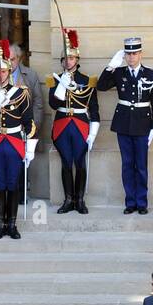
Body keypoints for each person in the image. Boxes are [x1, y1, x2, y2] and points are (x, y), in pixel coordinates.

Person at [96, 36, 153, 214]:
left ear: (141, 54)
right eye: (128, 54)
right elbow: (101, 86)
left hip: (142, 124)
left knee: (141, 165)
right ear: (124, 55)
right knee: (127, 164)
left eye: (135, 53)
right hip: (123, 123)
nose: (131, 57)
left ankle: (142, 202)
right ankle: (130, 202)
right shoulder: (119, 72)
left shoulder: (151, 74)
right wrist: (111, 66)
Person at [0, 38, 36, 238]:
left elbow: (29, 122)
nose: (0, 75)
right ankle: (0, 224)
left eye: (3, 71)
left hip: (14, 142)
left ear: (10, 71)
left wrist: (30, 149)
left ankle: (12, 224)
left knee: (13, 184)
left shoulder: (21, 93)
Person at [48, 28, 99, 214]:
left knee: (80, 162)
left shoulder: (87, 80)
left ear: (77, 60)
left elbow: (94, 108)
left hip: (80, 124)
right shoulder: (54, 79)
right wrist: (61, 85)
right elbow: (53, 104)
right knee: (66, 162)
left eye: (71, 59)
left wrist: (93, 132)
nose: (67, 62)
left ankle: (80, 199)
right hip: (62, 124)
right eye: (65, 59)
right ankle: (68, 199)